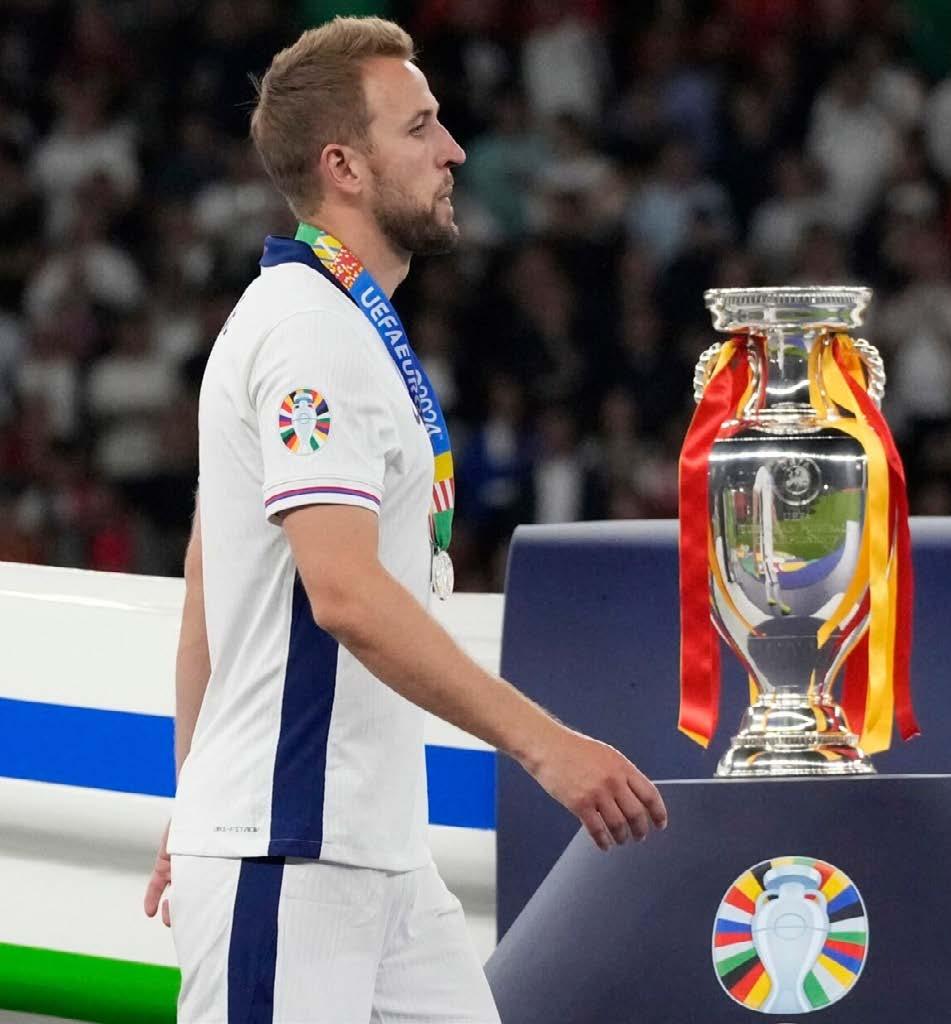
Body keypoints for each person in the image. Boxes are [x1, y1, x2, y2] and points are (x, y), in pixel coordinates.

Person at [141, 16, 667, 1023]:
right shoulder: (309, 332)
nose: (453, 150)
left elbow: (211, 572)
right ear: (343, 166)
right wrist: (546, 746)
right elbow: (343, 594)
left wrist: (193, 791)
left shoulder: (337, 325)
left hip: (370, 850)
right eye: (420, 126)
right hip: (290, 851)